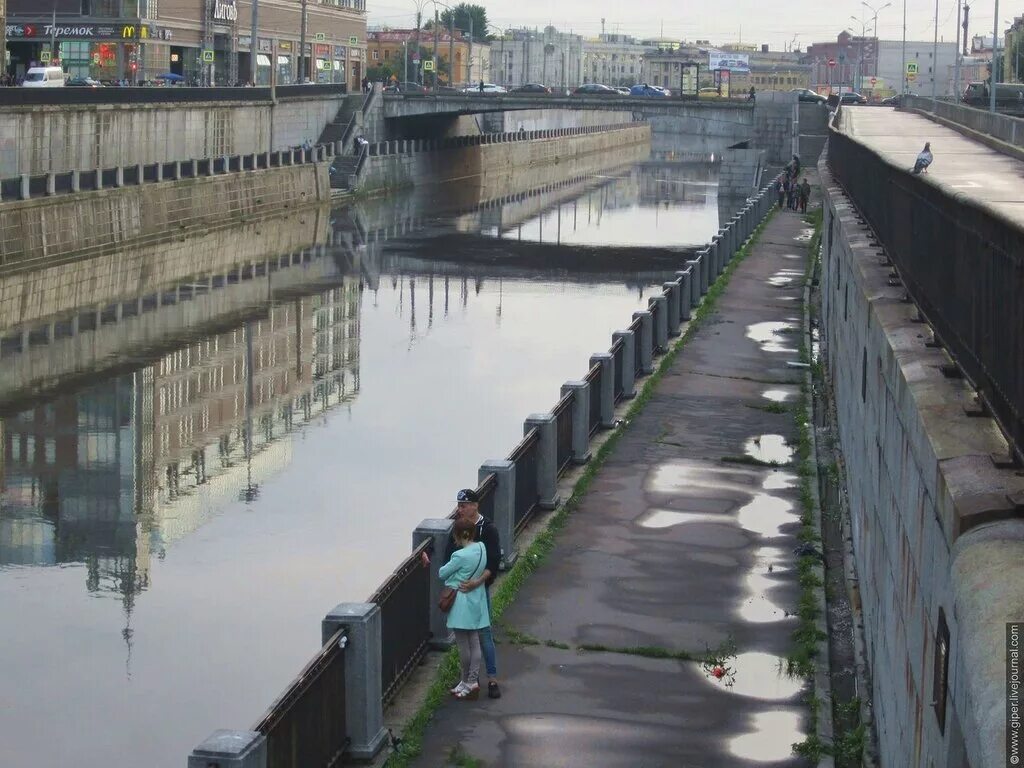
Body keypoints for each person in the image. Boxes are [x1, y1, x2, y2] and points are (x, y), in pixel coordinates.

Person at [443, 488, 502, 698]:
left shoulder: (488, 529)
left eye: (464, 505)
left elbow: (494, 563)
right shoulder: (457, 527)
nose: (460, 509)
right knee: (468, 637)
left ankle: (492, 679)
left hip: (478, 590)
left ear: (475, 505)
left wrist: (476, 582)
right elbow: (449, 556)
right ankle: (469, 680)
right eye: (458, 506)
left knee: (482, 634)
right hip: (461, 591)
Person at [439, 517, 490, 699]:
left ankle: (470, 682)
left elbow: (442, 573)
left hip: (461, 602)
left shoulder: (459, 555)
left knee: (463, 645)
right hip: (476, 599)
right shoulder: (482, 547)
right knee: (474, 641)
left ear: (457, 536)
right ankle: (467, 681)